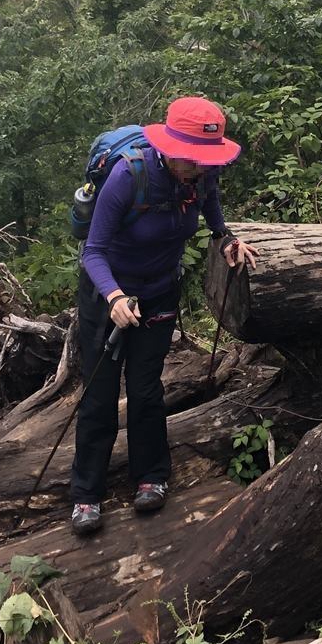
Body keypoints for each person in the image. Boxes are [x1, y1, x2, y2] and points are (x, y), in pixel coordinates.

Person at [69, 96, 257, 536]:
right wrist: (115, 297)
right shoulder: (127, 175)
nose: (201, 168)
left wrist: (226, 238)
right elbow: (93, 251)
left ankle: (151, 477)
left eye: (206, 160)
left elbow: (211, 212)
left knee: (146, 389)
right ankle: (85, 495)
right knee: (98, 394)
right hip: (107, 294)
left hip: (158, 291)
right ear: (170, 147)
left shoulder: (202, 175)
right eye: (193, 159)